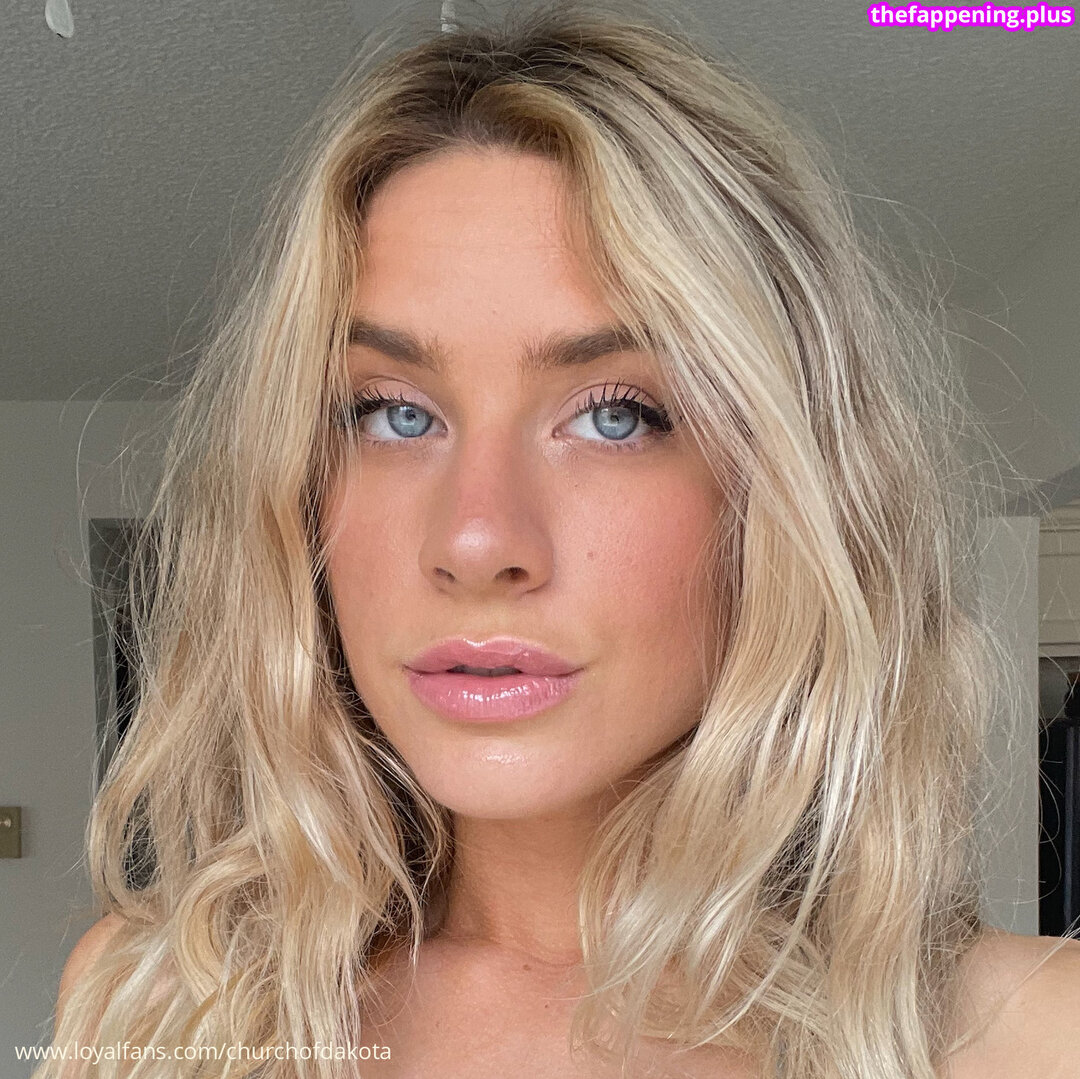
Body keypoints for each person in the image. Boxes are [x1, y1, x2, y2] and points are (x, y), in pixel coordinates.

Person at [40, 2, 1080, 1077]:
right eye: (393, 412)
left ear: (785, 491)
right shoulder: (160, 1000)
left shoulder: (1038, 1034)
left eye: (616, 414)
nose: (476, 538)